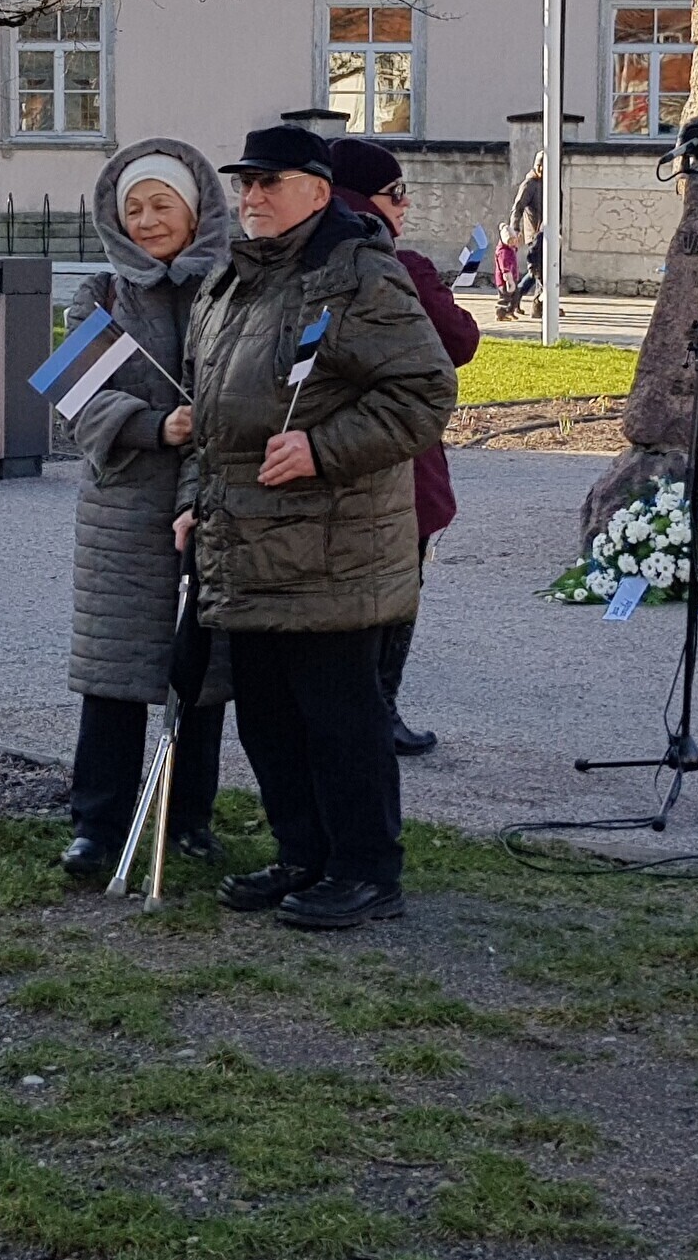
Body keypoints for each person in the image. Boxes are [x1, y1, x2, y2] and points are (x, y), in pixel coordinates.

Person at [175, 123, 455, 931]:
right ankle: (302, 853)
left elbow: (423, 391)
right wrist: (194, 497)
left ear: (318, 191)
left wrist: (322, 448)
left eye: (269, 182)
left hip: (335, 548)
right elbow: (209, 413)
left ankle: (366, 870)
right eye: (245, 182)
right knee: (267, 719)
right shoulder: (233, 280)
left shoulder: (361, 274)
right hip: (246, 542)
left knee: (340, 721)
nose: (252, 196)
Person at [61, 138, 235, 878]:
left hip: (213, 500)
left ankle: (187, 816)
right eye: (133, 208)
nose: (147, 220)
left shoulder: (230, 290)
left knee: (200, 671)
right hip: (123, 510)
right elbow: (75, 402)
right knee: (114, 673)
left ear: (196, 212)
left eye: (162, 204)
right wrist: (153, 425)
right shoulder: (101, 297)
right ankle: (97, 824)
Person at [330, 137, 483, 757]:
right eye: (396, 193)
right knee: (393, 591)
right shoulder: (401, 266)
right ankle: (378, 712)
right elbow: (460, 340)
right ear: (367, 200)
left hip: (312, 453)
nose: (406, 204)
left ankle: (338, 714)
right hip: (395, 456)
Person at [495, 155, 546, 321]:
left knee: (544, 270)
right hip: (535, 234)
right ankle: (534, 303)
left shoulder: (549, 182)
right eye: (542, 166)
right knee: (537, 271)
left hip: (549, 232)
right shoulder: (530, 184)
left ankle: (535, 302)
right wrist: (514, 231)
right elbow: (517, 208)